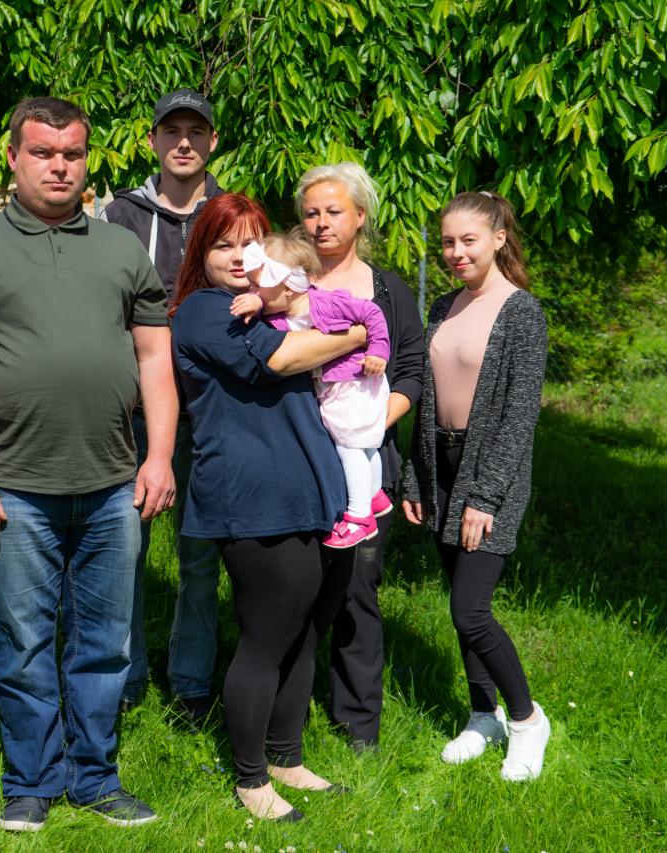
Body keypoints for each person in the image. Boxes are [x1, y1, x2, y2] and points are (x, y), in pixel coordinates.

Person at [0, 96, 178, 832]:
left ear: (86, 160)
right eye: (42, 153)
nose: (58, 166)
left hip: (112, 483)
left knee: (106, 643)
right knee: (24, 642)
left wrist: (159, 456)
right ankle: (30, 780)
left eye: (71, 154)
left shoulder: (120, 249)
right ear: (13, 158)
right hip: (13, 488)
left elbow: (155, 358)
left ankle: (94, 776)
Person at [171, 193, 368, 821]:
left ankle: (287, 756)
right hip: (252, 496)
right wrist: (359, 333)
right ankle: (251, 778)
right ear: (200, 254)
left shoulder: (271, 306)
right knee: (266, 636)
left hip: (311, 491)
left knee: (305, 631)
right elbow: (282, 361)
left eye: (250, 244)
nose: (239, 257)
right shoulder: (206, 311)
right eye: (223, 244)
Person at [401, 190, 551, 781]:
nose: (456, 252)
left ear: (498, 239)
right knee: (459, 602)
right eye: (447, 242)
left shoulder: (522, 312)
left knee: (470, 610)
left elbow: (519, 416)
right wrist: (415, 476)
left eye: (468, 240)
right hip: (440, 467)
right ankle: (482, 715)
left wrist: (484, 497)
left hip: (490, 473)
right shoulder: (444, 305)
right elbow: (427, 398)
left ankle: (527, 720)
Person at [101, 89, 224, 719]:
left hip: (212, 411)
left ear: (212, 142)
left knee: (199, 554)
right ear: (152, 141)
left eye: (195, 132)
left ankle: (192, 681)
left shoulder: (229, 216)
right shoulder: (118, 216)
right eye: (171, 131)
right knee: (126, 550)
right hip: (134, 412)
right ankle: (123, 680)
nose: (183, 142)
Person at [297, 163, 424, 752]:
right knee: (294, 593)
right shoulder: (289, 282)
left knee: (356, 595)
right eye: (311, 212)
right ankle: (286, 717)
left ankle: (357, 726)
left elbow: (412, 370)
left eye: (334, 211)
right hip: (298, 463)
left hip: (368, 465)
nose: (321, 223)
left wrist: (369, 427)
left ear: (360, 217)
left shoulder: (388, 291)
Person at [230, 232, 392, 548]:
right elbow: (264, 311)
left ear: (289, 288)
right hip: (337, 387)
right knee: (362, 446)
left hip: (357, 381)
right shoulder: (280, 314)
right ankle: (374, 497)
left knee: (349, 446)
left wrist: (378, 350)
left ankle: (360, 517)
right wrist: (258, 302)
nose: (252, 292)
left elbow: (372, 313)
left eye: (258, 287)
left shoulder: (329, 303)